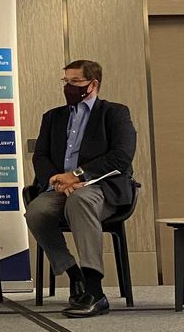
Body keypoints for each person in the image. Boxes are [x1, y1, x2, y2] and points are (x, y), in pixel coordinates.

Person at [25, 60, 136, 318]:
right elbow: (40, 156)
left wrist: (76, 176)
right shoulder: (53, 117)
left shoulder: (115, 113)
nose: (69, 87)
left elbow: (121, 156)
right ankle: (74, 274)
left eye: (75, 82)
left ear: (92, 84)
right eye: (66, 81)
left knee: (80, 200)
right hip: (60, 189)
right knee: (36, 211)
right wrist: (56, 179)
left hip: (100, 188)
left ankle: (95, 292)